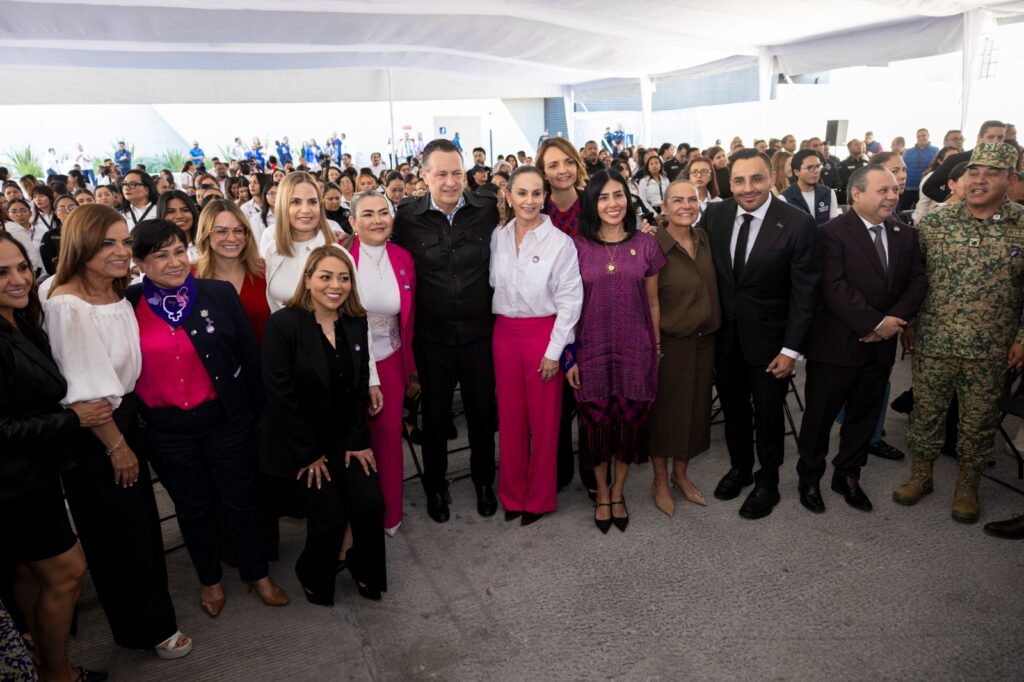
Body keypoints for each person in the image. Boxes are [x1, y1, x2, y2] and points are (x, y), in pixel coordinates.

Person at [42, 204, 192, 659]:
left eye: (125, 241)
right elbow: (87, 393)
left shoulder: (115, 290)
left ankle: (142, 623)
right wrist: (117, 448)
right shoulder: (66, 303)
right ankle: (151, 629)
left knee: (139, 528)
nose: (121, 251)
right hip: (99, 434)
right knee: (121, 536)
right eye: (107, 242)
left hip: (125, 418)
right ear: (81, 245)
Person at [125, 219, 288, 618]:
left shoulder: (217, 293)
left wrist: (257, 416)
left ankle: (257, 573)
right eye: (160, 256)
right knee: (193, 507)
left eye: (178, 251)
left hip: (224, 420)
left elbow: (250, 357)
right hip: (167, 430)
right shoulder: (127, 304)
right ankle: (209, 579)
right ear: (140, 263)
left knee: (241, 499)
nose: (174, 262)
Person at [0, 233, 110, 682]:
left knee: (30, 575)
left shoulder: (18, 319)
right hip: (14, 485)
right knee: (67, 573)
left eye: (21, 267)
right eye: (1, 272)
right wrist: (71, 420)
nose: (18, 279)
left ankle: (42, 665)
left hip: (33, 474)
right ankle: (60, 675)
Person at [894, 143, 1024, 523]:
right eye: (973, 172)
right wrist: (910, 324)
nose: (979, 180)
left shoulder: (1021, 225)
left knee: (978, 422)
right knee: (926, 413)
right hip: (935, 341)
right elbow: (916, 280)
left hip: (991, 349)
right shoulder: (936, 224)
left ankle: (967, 487)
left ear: (1010, 180)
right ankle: (920, 476)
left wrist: (1022, 338)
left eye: (991, 173)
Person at [795, 165, 926, 514]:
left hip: (881, 348)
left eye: (895, 190)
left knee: (864, 416)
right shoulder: (829, 233)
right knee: (819, 418)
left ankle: (848, 475)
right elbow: (832, 286)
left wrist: (891, 323)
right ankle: (809, 477)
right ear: (857, 194)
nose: (893, 196)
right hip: (835, 347)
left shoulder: (905, 234)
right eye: (883, 190)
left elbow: (917, 282)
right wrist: (874, 322)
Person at [260, 245, 386, 605]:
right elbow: (280, 398)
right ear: (307, 280)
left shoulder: (355, 321)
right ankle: (313, 573)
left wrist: (358, 439)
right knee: (330, 514)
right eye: (326, 277)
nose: (336, 286)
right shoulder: (283, 325)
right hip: (298, 442)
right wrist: (308, 454)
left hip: (345, 436)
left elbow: (359, 387)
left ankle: (364, 568)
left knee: (370, 502)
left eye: (344, 278)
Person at [702, 149, 820, 520]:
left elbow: (806, 294)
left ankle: (767, 481)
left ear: (771, 178)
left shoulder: (797, 223)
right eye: (739, 180)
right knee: (734, 410)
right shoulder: (716, 215)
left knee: (768, 416)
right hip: (726, 339)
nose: (747, 188)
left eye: (756, 178)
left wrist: (791, 350)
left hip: (772, 345)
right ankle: (740, 468)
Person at [391, 138, 499, 523]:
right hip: (432, 340)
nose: (451, 182)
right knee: (435, 420)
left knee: (482, 416)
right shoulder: (406, 218)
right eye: (441, 174)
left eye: (457, 173)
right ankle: (435, 487)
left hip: (479, 337)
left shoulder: (487, 210)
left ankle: (484, 482)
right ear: (424, 176)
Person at [566, 169, 664, 533]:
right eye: (604, 197)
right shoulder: (576, 247)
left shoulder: (647, 244)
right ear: (592, 203)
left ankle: (619, 492)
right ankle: (602, 492)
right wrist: (569, 357)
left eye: (618, 195)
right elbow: (568, 308)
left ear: (629, 199)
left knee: (628, 427)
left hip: (636, 349)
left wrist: (655, 347)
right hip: (590, 351)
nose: (612, 203)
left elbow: (653, 302)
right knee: (595, 428)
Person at [490, 167, 582, 526]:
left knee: (544, 423)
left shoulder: (560, 243)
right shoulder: (498, 236)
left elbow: (570, 303)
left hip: (544, 335)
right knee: (510, 419)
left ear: (545, 197)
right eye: (522, 193)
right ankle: (512, 494)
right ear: (508, 195)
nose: (529, 201)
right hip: (504, 335)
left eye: (536, 193)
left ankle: (540, 497)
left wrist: (554, 351)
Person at [343, 191, 417, 535]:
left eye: (383, 213)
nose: (377, 220)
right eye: (368, 214)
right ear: (352, 222)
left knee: (387, 437)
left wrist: (412, 369)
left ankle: (390, 512)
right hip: (349, 363)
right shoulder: (340, 256)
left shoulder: (403, 256)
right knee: (350, 439)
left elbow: (410, 318)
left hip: (390, 360)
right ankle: (355, 513)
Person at [648, 179, 720, 517]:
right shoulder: (653, 245)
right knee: (665, 415)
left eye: (692, 199)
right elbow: (647, 302)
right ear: (664, 207)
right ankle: (660, 479)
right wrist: (654, 346)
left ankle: (681, 474)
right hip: (669, 345)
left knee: (694, 412)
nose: (686, 206)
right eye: (677, 200)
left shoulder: (704, 238)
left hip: (704, 342)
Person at [535, 137, 595, 496]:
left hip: (593, 313)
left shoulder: (594, 203)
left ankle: (593, 473)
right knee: (555, 404)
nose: (562, 170)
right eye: (553, 165)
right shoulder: (535, 209)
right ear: (543, 173)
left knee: (590, 400)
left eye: (568, 162)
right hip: (550, 318)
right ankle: (557, 471)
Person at [922, 120, 1006, 203]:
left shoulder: (1005, 162)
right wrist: (955, 202)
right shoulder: (956, 159)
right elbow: (929, 187)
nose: (996, 141)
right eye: (991, 137)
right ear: (979, 138)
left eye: (1000, 137)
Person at [779, 150, 839, 225]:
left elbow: (834, 225)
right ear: (796, 172)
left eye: (818, 166)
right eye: (810, 167)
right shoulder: (784, 199)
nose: (816, 171)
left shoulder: (829, 193)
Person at [911, 146, 959, 223]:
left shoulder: (956, 177)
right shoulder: (931, 178)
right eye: (950, 159)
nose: (954, 162)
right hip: (925, 220)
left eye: (957, 158)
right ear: (940, 161)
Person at [156, 190, 199, 262]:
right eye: (170, 211)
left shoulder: (208, 244)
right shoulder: (154, 250)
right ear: (161, 215)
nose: (179, 216)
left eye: (185, 210)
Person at [902, 128, 938, 211]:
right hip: (907, 188)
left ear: (928, 136)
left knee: (921, 212)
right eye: (919, 136)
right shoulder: (908, 151)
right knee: (903, 211)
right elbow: (901, 166)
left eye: (924, 135)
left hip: (925, 189)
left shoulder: (936, 151)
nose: (921, 138)